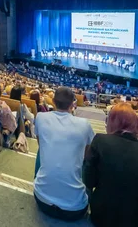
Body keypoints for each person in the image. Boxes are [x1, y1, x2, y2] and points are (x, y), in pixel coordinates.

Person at [34, 86, 94, 221]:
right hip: (75, 210)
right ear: (73, 103)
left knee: (43, 148)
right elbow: (87, 156)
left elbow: (40, 144)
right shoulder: (84, 124)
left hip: (41, 199)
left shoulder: (40, 117)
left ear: (53, 102)